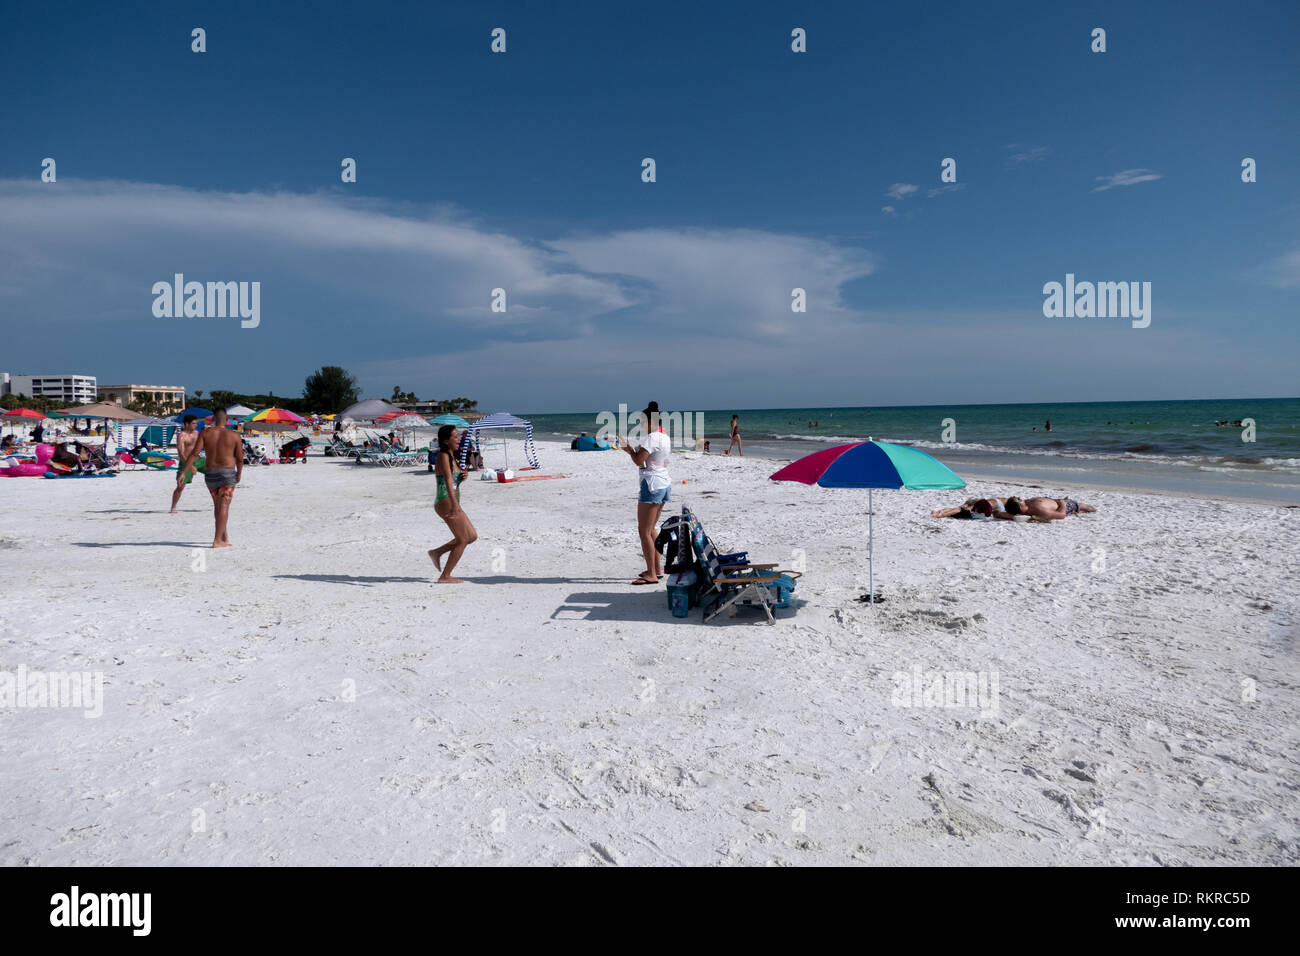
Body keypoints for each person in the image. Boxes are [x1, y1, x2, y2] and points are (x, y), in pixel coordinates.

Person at [622, 401, 671, 585]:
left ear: (650, 421)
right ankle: (656, 569)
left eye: (642, 421)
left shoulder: (651, 437)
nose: (641, 425)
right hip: (664, 482)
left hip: (652, 484)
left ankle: (651, 573)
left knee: (644, 530)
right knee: (651, 529)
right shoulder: (664, 436)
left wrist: (629, 450)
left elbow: (638, 460)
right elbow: (650, 460)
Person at [181, 408, 242, 548]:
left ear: (213, 419)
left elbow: (195, 453)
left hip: (211, 474)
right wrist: (239, 473)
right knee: (224, 506)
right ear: (227, 420)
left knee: (218, 506)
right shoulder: (234, 435)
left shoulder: (205, 433)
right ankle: (217, 540)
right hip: (227, 473)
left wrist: (184, 471)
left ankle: (224, 537)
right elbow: (239, 458)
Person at [428, 424, 476, 583]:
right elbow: (448, 481)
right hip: (446, 501)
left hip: (451, 500)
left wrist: (462, 478)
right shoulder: (443, 455)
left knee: (471, 536)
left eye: (458, 436)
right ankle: (445, 576)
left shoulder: (451, 456)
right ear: (446, 440)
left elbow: (453, 482)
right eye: (455, 436)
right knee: (462, 539)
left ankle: (437, 552)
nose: (459, 439)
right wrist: (455, 506)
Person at [170, 414, 201, 514]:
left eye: (196, 423)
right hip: (185, 461)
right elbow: (181, 453)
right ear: (187, 424)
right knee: (180, 486)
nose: (196, 425)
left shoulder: (196, 433)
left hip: (198, 459)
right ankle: (173, 506)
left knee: (215, 470)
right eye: (194, 423)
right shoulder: (181, 436)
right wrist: (190, 466)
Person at [1001, 495, 1096, 520]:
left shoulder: (1025, 504)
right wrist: (1063, 503)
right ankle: (1092, 511)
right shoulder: (1038, 509)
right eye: (1018, 500)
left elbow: (1001, 513)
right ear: (1020, 508)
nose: (1020, 498)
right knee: (1087, 507)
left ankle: (1078, 511)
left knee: (1081, 509)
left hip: (1056, 502)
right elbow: (1061, 515)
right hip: (1064, 505)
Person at [931, 497, 1007, 519]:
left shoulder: (1001, 501)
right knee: (960, 509)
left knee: (957, 508)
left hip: (981, 502)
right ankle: (940, 515)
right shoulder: (1002, 506)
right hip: (982, 505)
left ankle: (939, 512)